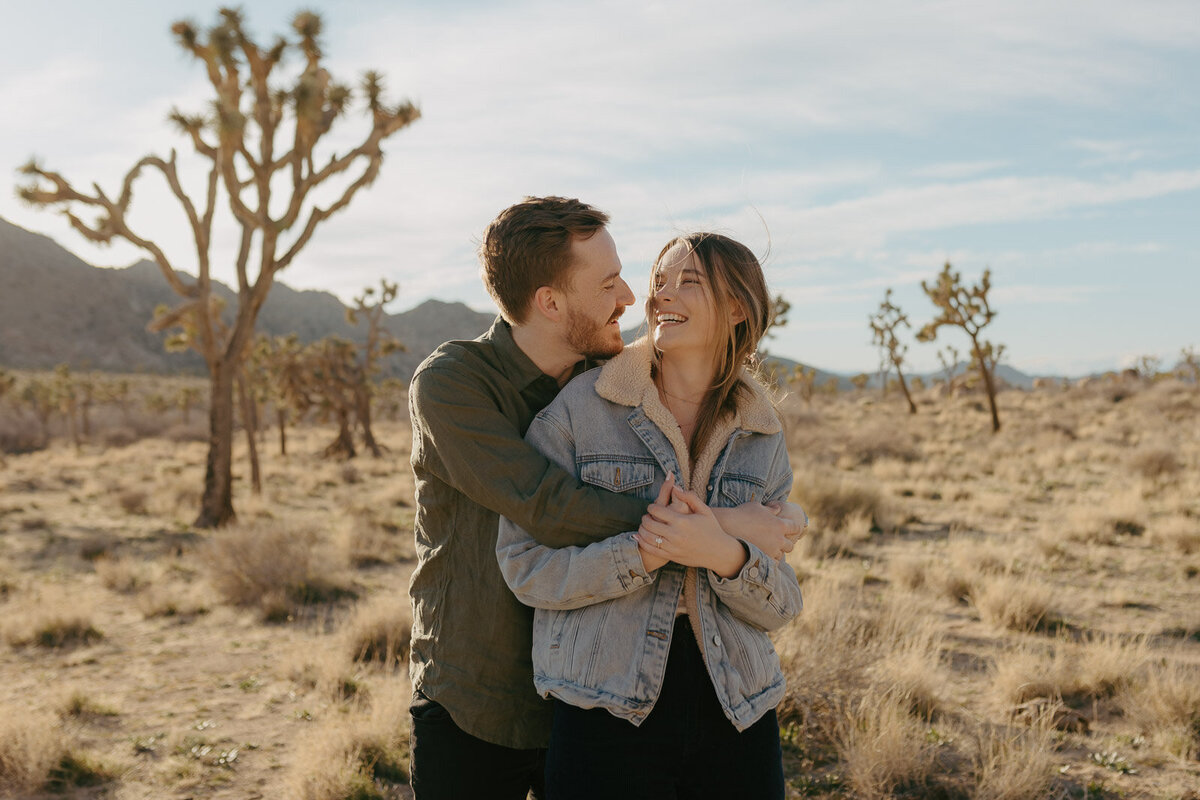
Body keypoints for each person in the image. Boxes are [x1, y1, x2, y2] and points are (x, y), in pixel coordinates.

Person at [408, 199, 805, 800]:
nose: (632, 297)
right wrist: (715, 530)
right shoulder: (458, 384)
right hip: (479, 691)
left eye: (629, 277)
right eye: (610, 282)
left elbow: (776, 589)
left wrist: (742, 541)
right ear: (550, 302)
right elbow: (546, 503)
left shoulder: (615, 378)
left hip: (603, 692)